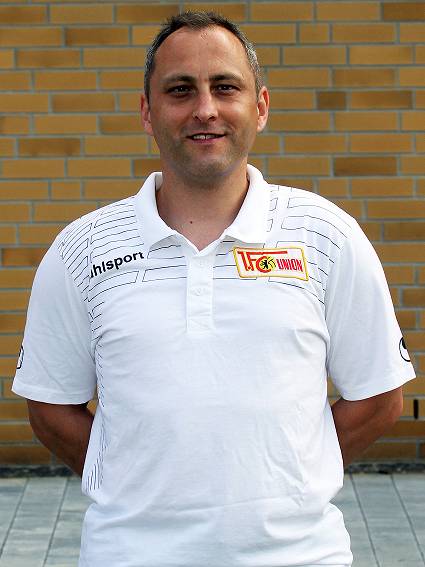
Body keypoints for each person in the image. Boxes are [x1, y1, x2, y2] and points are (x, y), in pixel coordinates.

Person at [13, 11, 416, 567]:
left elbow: (379, 397)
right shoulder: (82, 249)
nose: (205, 109)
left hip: (299, 557)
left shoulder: (326, 235)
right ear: (147, 112)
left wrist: (291, 477)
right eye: (180, 90)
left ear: (261, 107)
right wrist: (138, 479)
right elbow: (50, 407)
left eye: (225, 87)